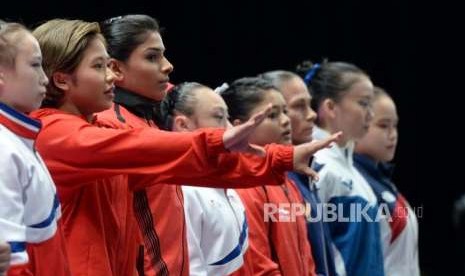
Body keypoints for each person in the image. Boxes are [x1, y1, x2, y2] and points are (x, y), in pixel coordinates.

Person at [31, 18, 339, 276]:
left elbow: (195, 167)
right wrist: (219, 139)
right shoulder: (55, 131)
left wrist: (279, 159)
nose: (111, 75)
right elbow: (144, 147)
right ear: (61, 80)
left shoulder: (107, 129)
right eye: (100, 66)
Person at [220, 77, 325, 276]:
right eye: (273, 115)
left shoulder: (287, 181)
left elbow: (306, 258)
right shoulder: (243, 188)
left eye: (285, 111)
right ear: (240, 127)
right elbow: (259, 266)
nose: (286, 120)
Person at [296, 60, 383, 276]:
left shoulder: (351, 170)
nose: (371, 115)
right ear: (330, 107)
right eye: (363, 103)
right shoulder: (317, 165)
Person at [158, 82, 251, 275]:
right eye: (219, 118)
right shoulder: (182, 192)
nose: (231, 128)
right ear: (183, 125)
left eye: (228, 118)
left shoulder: (224, 186)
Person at [0, 20, 70, 276]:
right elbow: (12, 267)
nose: (44, 79)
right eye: (35, 65)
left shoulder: (18, 142)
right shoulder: (4, 149)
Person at [261, 70, 337, 276]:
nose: (312, 114)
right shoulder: (265, 182)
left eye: (309, 105)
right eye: (298, 106)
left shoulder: (301, 177)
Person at [354, 86, 419, 276]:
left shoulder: (381, 180)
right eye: (383, 125)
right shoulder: (355, 185)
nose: (393, 134)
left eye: (395, 125)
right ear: (360, 123)